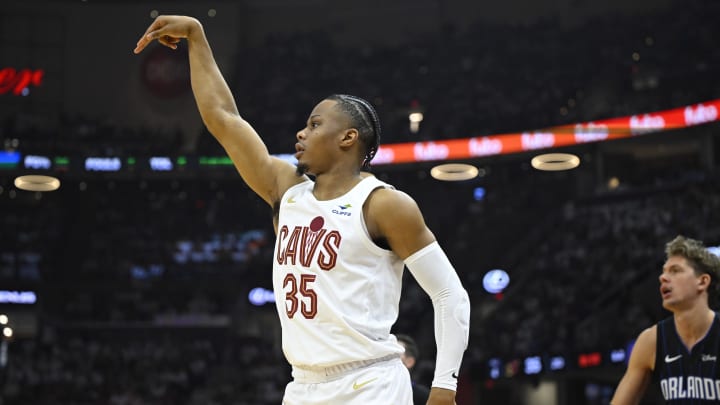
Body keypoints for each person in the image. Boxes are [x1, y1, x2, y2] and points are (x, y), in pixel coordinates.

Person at [134, 16, 470, 405]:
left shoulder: (384, 204)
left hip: (370, 383)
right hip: (302, 386)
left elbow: (449, 293)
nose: (300, 133)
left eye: (314, 124)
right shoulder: (286, 189)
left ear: (348, 137)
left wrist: (445, 388)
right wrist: (197, 36)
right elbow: (224, 119)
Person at [610, 235, 720, 404]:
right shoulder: (651, 341)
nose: (663, 277)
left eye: (675, 271)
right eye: (664, 271)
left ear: (702, 281)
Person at [396, 333, 432, 404]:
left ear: (409, 362)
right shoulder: (373, 389)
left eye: (395, 353)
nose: (387, 358)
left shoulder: (424, 397)